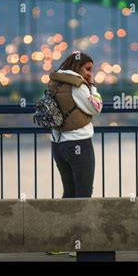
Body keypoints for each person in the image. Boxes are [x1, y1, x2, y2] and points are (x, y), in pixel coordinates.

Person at [48, 52, 102, 198]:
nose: (90, 73)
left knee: (69, 192)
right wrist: (92, 86)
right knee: (83, 193)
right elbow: (96, 107)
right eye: (87, 69)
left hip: (57, 144)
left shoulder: (55, 82)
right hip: (78, 142)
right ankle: (80, 222)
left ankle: (65, 220)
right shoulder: (77, 85)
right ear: (77, 67)